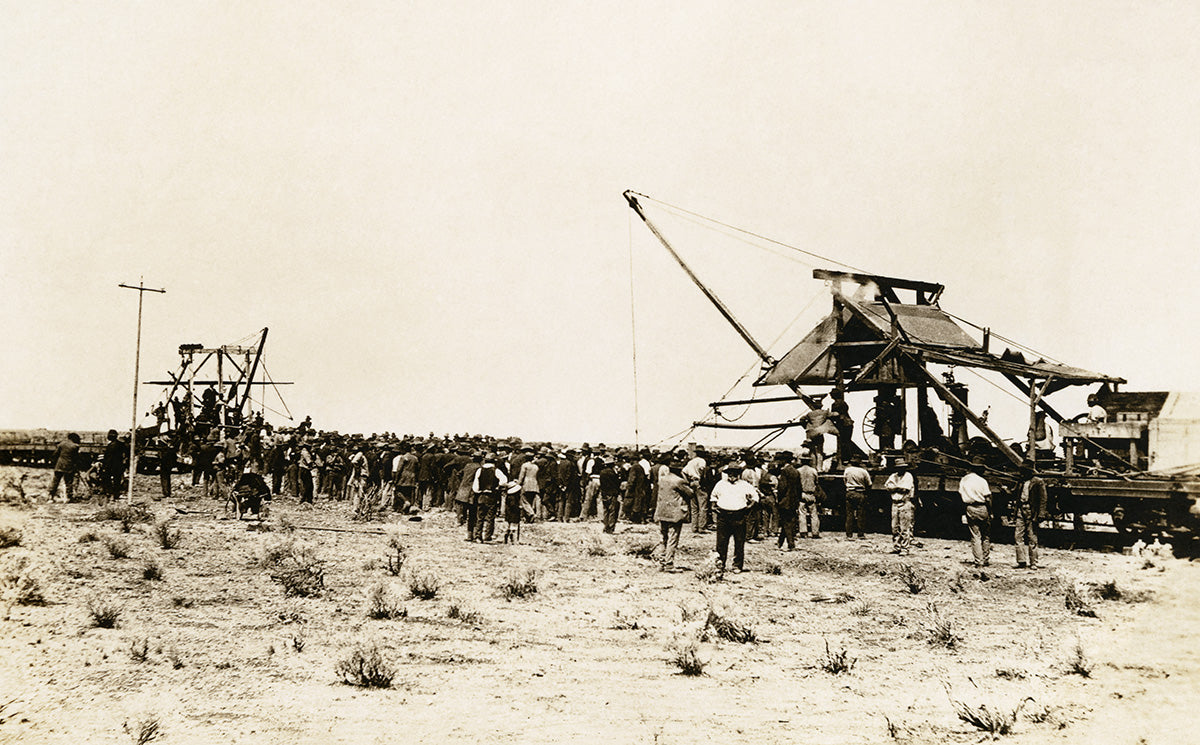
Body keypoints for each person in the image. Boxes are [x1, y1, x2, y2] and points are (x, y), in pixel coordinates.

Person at [709, 463, 759, 577]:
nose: (732, 476)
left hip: (739, 515)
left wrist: (749, 506)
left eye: (734, 474)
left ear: (738, 474)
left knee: (739, 542)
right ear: (727, 474)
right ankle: (720, 565)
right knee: (721, 543)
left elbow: (755, 496)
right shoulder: (720, 484)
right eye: (730, 474)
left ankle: (737, 565)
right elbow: (713, 496)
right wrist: (714, 506)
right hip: (723, 516)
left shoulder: (744, 485)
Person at [653, 453, 694, 572]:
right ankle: (669, 563)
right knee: (673, 539)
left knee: (664, 538)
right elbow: (690, 493)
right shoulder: (679, 481)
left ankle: (662, 562)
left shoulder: (662, 480)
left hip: (662, 512)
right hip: (675, 514)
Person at [957, 457, 992, 567]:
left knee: (975, 536)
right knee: (986, 535)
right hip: (982, 507)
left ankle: (978, 561)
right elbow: (988, 498)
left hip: (970, 508)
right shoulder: (982, 481)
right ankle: (985, 559)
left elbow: (960, 495)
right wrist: (990, 511)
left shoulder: (964, 479)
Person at [1014, 461, 1047, 569]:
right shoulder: (1021, 481)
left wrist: (1041, 513)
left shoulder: (1038, 482)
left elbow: (1043, 499)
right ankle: (1021, 561)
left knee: (1032, 536)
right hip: (1021, 509)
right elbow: (1015, 493)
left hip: (1031, 511)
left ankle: (1033, 562)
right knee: (1018, 536)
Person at [471, 452, 506, 542]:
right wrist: (497, 487)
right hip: (491, 496)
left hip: (481, 495)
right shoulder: (496, 471)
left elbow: (475, 486)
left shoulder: (479, 470)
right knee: (490, 517)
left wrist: (479, 491)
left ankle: (478, 536)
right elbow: (503, 481)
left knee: (480, 517)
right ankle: (488, 536)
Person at [884, 460, 916, 555]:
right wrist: (896, 488)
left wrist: (894, 488)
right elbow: (887, 486)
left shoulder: (908, 476)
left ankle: (905, 548)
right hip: (894, 503)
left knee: (904, 527)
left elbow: (904, 489)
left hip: (905, 503)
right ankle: (896, 546)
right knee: (894, 527)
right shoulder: (893, 476)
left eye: (902, 467)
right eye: (898, 468)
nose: (900, 469)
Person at [774, 451, 801, 550]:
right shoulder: (795, 471)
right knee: (789, 521)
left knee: (786, 522)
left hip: (785, 500)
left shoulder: (785, 471)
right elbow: (799, 488)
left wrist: (779, 498)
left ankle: (791, 543)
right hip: (793, 501)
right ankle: (780, 542)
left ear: (784, 461)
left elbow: (782, 487)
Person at [843, 455, 871, 539]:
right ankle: (860, 534)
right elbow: (869, 484)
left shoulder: (847, 470)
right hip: (860, 493)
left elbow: (845, 481)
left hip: (850, 492)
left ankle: (849, 535)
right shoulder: (864, 471)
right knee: (861, 514)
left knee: (849, 514)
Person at [49, 433, 82, 502]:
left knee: (55, 482)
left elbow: (55, 454)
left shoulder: (61, 444)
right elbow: (76, 458)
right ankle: (68, 498)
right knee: (68, 482)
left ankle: (50, 497)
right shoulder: (75, 446)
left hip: (59, 465)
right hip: (69, 467)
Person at [683, 447, 708, 532]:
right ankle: (701, 527)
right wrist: (700, 481)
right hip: (698, 483)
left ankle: (694, 527)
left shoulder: (691, 462)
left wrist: (687, 481)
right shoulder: (702, 461)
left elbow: (683, 472)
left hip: (691, 482)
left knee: (694, 507)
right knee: (703, 506)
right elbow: (701, 471)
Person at [798, 456, 821, 538]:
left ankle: (803, 532)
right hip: (811, 494)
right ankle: (815, 532)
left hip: (802, 494)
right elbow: (816, 482)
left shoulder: (798, 471)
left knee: (802, 513)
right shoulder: (813, 471)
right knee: (813, 514)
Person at [598, 457, 622, 533]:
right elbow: (617, 483)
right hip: (612, 493)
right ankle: (611, 527)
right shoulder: (612, 473)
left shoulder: (602, 472)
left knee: (606, 510)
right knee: (612, 511)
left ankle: (605, 526)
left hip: (604, 493)